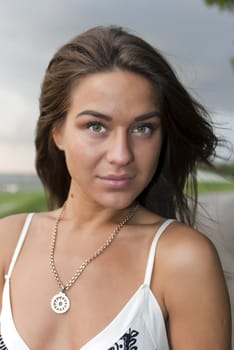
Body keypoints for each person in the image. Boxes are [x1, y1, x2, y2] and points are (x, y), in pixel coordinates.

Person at [0, 26, 231, 349]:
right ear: (58, 133)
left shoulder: (181, 260)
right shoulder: (7, 245)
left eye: (142, 128)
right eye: (96, 126)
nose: (122, 155)